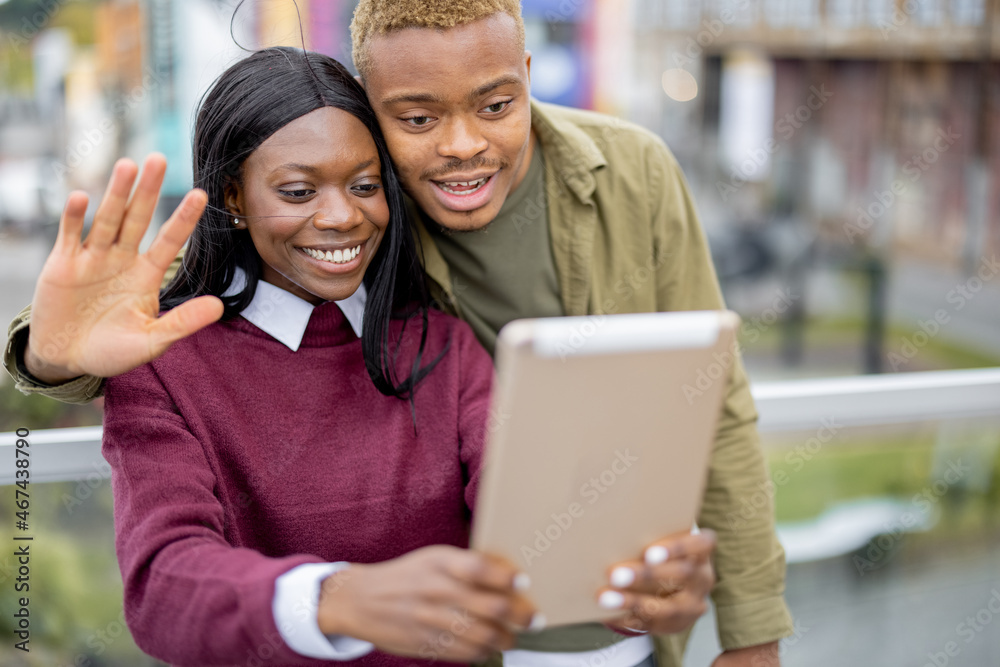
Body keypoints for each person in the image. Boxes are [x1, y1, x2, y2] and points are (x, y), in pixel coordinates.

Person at [4, 1, 791, 665]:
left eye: (364, 184)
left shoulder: (442, 347)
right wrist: (335, 597)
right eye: (298, 189)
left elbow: (539, 510)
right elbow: (165, 583)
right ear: (235, 200)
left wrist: (631, 585)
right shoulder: (172, 368)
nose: (343, 214)